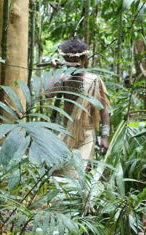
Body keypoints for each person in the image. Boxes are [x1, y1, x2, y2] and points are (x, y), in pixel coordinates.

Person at [45, 39, 110, 176]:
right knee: (56, 174)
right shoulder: (63, 79)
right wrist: (55, 71)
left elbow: (104, 110)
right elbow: (49, 94)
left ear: (84, 59)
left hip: (86, 135)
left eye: (80, 58)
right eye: (70, 59)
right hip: (67, 134)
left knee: (75, 176)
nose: (77, 62)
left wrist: (105, 136)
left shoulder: (94, 80)